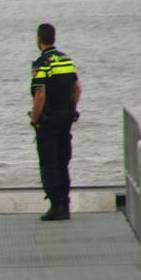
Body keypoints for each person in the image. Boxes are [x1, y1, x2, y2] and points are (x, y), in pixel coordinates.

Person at [29, 22, 81, 221]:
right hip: (66, 117)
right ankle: (65, 206)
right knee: (62, 162)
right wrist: (72, 109)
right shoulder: (66, 59)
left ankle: (56, 206)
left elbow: (40, 95)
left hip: (49, 120)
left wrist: (35, 119)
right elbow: (77, 88)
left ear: (39, 39)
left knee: (48, 163)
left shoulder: (41, 63)